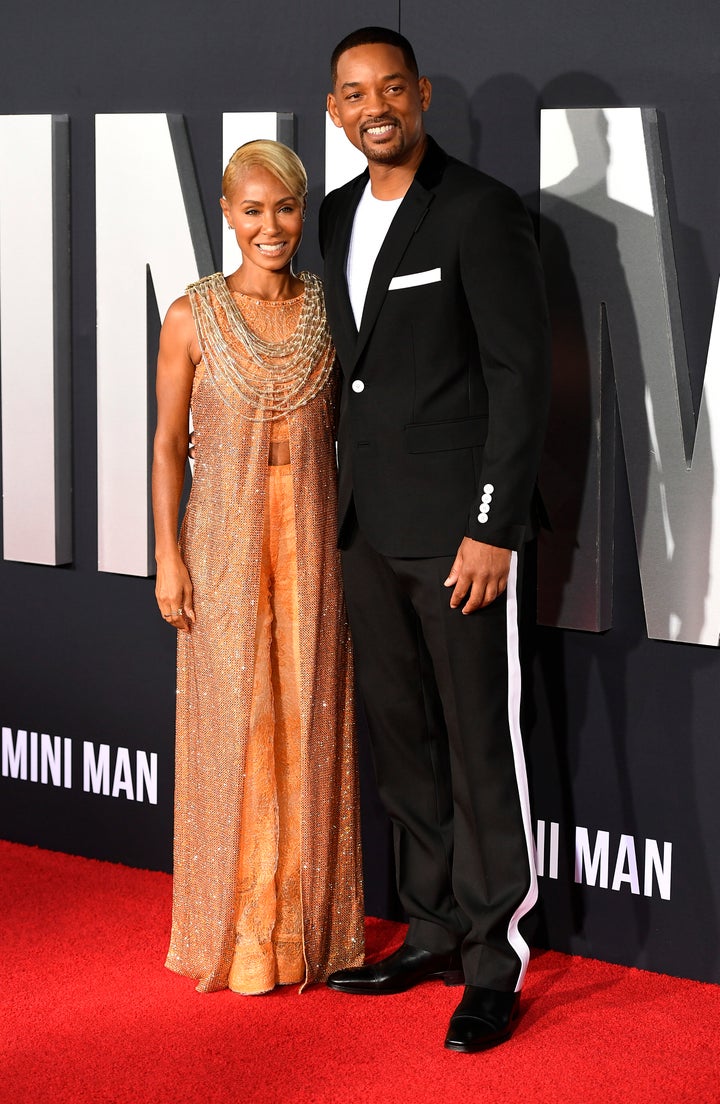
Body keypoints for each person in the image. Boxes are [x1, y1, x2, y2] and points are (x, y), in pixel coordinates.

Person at [319, 28, 551, 1051]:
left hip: (459, 540)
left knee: (476, 749)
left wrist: (492, 527)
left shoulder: (479, 210)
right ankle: (432, 928)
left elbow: (519, 378)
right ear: (335, 111)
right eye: (354, 93)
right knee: (403, 743)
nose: (375, 106)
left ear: (420, 96)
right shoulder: (328, 218)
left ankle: (495, 962)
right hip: (362, 529)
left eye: (391, 89)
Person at [152, 139, 364, 995]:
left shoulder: (329, 306)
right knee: (240, 722)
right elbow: (169, 444)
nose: (268, 226)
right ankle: (242, 931)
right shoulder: (190, 315)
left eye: (283, 209)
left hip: (313, 537)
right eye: (251, 209)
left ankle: (302, 932)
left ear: (301, 212)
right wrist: (167, 554)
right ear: (226, 215)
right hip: (223, 540)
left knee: (307, 716)